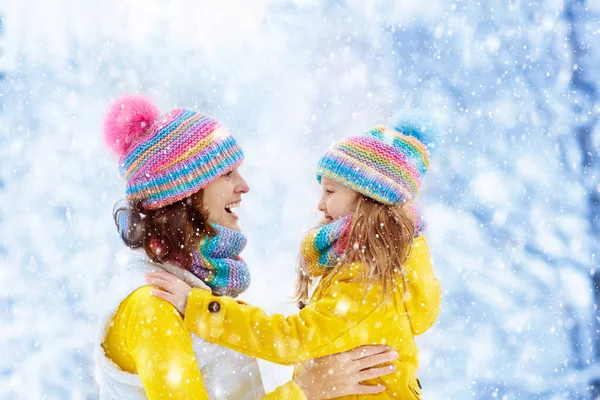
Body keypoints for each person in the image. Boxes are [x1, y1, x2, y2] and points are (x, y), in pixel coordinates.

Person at [94, 95, 399, 399]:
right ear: (185, 191)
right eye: (227, 174)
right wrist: (306, 391)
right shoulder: (154, 304)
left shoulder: (196, 291)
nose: (244, 186)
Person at [148, 123, 442, 399]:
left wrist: (202, 308)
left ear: (367, 198)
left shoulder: (366, 279)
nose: (320, 204)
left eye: (330, 191)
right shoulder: (382, 269)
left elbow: (291, 338)